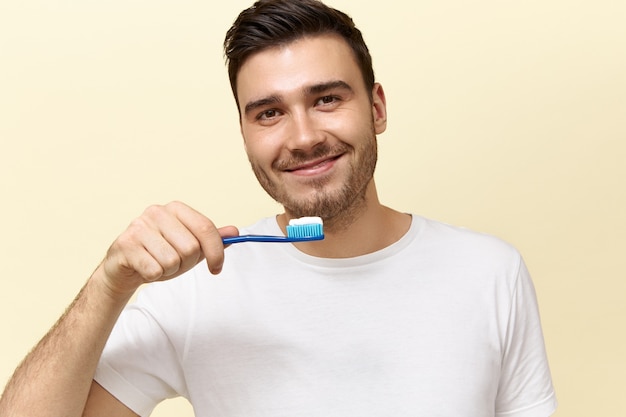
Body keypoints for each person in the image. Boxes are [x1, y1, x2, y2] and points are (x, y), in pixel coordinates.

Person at [0, 0, 557, 416]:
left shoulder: (489, 272)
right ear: (244, 131)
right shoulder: (202, 287)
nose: (304, 136)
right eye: (269, 113)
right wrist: (107, 286)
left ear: (377, 107)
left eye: (327, 99)